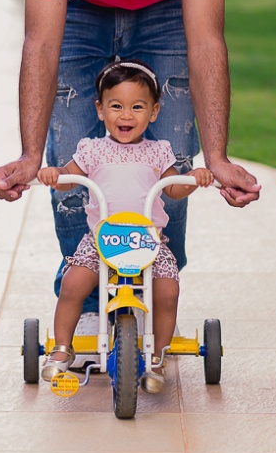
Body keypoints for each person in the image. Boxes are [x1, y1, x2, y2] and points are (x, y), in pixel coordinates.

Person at [0, 0, 262, 313]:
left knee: (170, 163)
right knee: (75, 162)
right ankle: (92, 310)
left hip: (165, 10)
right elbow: (41, 45)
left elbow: (205, 45)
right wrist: (30, 154)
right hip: (78, 8)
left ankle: (153, 297)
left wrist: (216, 156)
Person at [37, 59, 214, 393]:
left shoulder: (159, 152)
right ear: (100, 110)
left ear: (155, 112)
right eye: (116, 106)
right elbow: (67, 179)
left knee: (168, 289)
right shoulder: (92, 150)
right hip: (100, 239)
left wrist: (193, 179)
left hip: (149, 240)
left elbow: (173, 188)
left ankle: (158, 355)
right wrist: (55, 175)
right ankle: (62, 347)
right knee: (74, 283)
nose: (127, 115)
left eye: (137, 107)